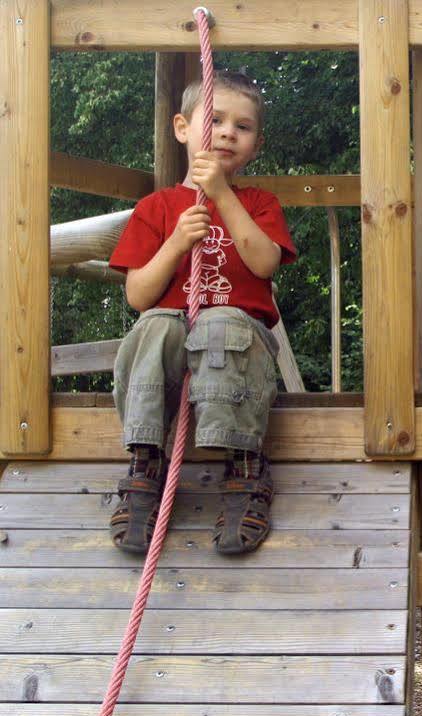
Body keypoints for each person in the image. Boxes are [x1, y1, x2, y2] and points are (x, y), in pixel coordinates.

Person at [107, 69, 297, 554]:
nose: (228, 132)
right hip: (173, 347)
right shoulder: (156, 207)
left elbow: (264, 261)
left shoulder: (258, 203)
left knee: (221, 321)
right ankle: (145, 462)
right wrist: (175, 242)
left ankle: (245, 465)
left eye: (243, 126)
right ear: (182, 128)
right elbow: (138, 295)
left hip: (235, 346)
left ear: (255, 144)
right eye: (214, 119)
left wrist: (222, 198)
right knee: (155, 326)